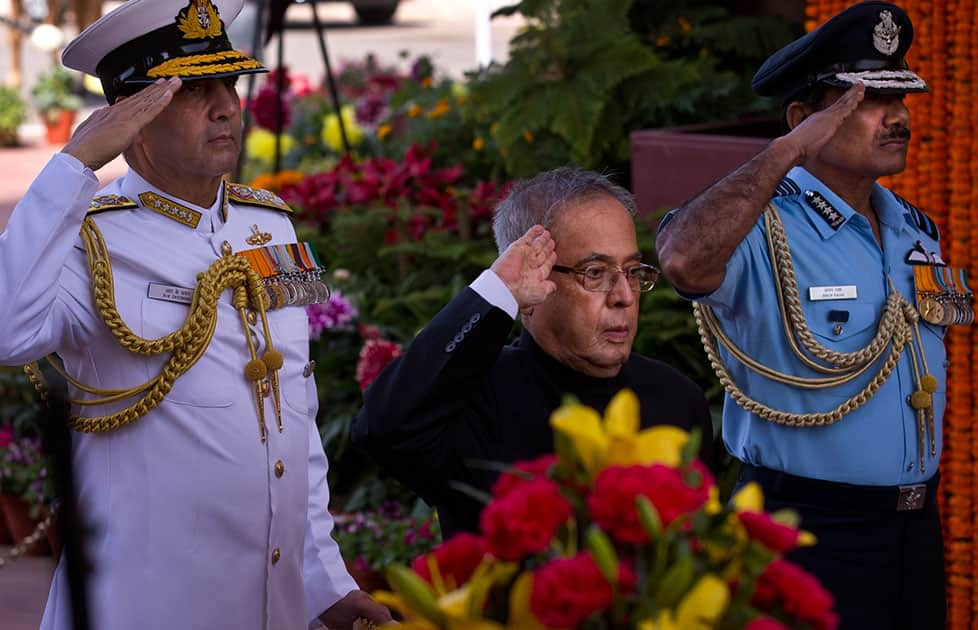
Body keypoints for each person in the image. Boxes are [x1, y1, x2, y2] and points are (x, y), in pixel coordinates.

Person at [0, 1, 391, 628]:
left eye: (229, 83)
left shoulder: (270, 225)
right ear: (135, 117)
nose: (228, 107)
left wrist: (325, 584)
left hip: (273, 605)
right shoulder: (84, 241)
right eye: (194, 90)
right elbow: (6, 330)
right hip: (144, 604)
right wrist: (73, 166)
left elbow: (295, 414)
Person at [656, 2, 956, 628]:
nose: (897, 117)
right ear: (803, 119)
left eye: (899, 99)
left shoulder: (913, 230)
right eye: (866, 102)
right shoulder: (758, 230)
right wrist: (787, 152)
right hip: (802, 530)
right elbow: (681, 259)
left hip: (912, 528)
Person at [351, 167, 715, 537]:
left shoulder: (676, 399)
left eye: (632, 271)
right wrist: (496, 292)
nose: (623, 296)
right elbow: (381, 429)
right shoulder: (475, 401)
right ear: (530, 288)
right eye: (594, 272)